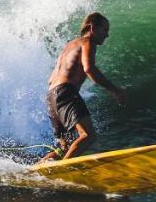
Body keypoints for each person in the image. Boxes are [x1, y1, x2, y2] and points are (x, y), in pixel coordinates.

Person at [38, 12, 128, 162]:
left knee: (65, 148)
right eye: (105, 30)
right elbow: (89, 69)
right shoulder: (88, 42)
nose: (107, 35)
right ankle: (63, 170)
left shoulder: (69, 46)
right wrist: (115, 91)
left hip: (51, 97)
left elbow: (51, 80)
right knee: (88, 135)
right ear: (92, 28)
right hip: (65, 92)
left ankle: (37, 170)